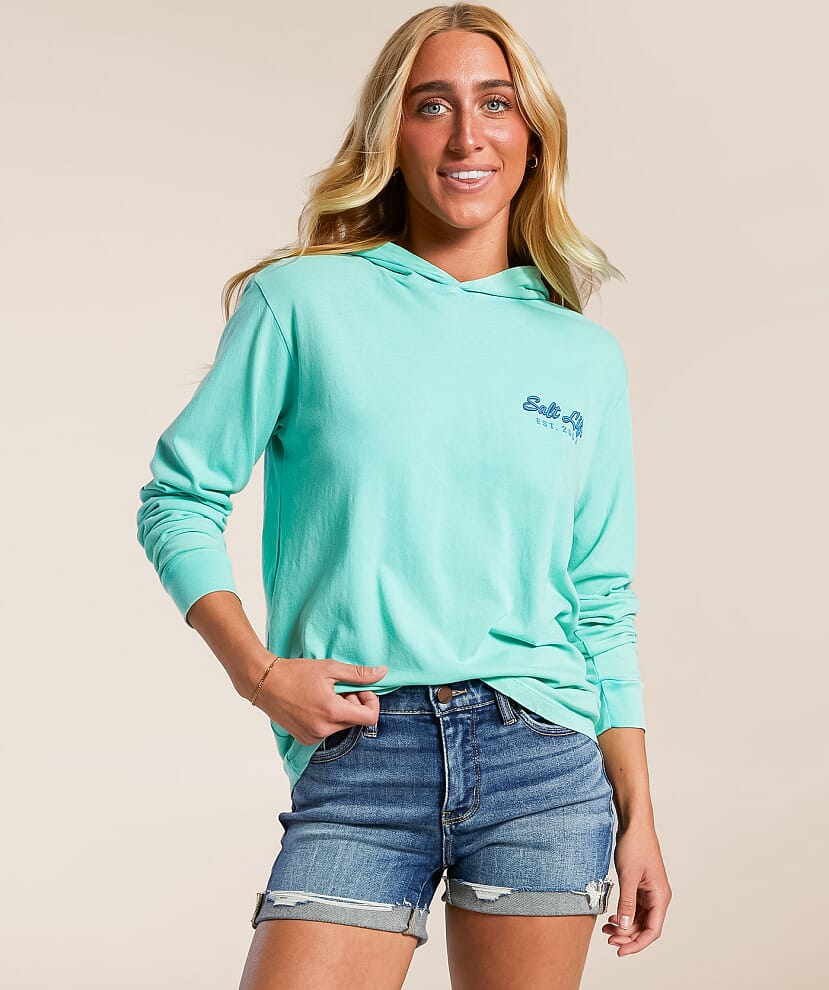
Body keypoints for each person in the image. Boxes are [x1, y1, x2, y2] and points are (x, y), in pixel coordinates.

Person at [136, 4, 672, 987]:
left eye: (494, 104)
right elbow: (179, 497)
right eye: (433, 105)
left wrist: (638, 814)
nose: (467, 135)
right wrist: (258, 673)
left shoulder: (582, 356)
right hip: (362, 754)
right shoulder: (301, 302)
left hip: (543, 766)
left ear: (531, 135)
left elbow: (599, 598)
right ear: (393, 133)